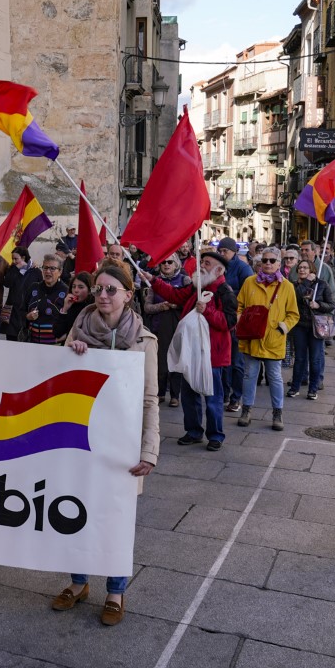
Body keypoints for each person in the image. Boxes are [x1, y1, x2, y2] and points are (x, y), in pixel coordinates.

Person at [51, 265, 158, 625]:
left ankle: (115, 591)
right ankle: (79, 583)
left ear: (128, 295)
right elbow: (58, 382)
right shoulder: (77, 330)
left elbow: (149, 399)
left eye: (112, 289)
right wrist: (73, 354)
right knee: (74, 511)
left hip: (121, 443)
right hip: (80, 437)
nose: (103, 295)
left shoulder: (144, 340)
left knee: (116, 518)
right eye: (98, 289)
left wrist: (149, 451)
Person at [144, 252, 236, 450]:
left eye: (207, 263)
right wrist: (153, 280)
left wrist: (208, 311)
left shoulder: (224, 291)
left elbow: (229, 322)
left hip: (213, 355)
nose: (201, 266)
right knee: (189, 394)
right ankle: (193, 431)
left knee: (213, 397)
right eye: (201, 262)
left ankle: (215, 435)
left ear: (219, 270)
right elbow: (175, 295)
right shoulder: (197, 286)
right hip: (191, 351)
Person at [235, 247, 299, 431]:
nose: (268, 264)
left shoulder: (286, 286)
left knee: (275, 378)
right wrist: (241, 321)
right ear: (260, 263)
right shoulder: (249, 282)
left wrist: (282, 327)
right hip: (251, 338)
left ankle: (277, 413)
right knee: (249, 376)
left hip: (273, 339)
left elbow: (293, 314)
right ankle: (246, 410)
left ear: (279, 263)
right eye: (265, 260)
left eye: (272, 260)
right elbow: (239, 305)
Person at [144, 255, 191, 405]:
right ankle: (160, 392)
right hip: (159, 327)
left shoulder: (185, 280)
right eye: (163, 262)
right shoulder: (155, 282)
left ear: (176, 263)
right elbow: (147, 307)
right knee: (160, 361)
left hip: (178, 327)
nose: (166, 264)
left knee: (176, 360)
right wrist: (161, 306)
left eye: (169, 262)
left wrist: (176, 305)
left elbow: (190, 304)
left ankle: (175, 395)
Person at [216, 237, 253, 413]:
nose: (222, 254)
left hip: (237, 319)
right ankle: (223, 392)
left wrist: (229, 293)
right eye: (220, 251)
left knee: (237, 361)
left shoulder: (243, 268)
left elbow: (249, 292)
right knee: (223, 360)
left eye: (225, 251)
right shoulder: (217, 266)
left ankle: (236, 397)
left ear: (234, 252)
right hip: (220, 318)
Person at [288, 260, 334, 400]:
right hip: (300, 326)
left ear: (312, 269)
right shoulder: (294, 286)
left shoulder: (322, 284)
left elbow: (331, 305)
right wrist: (307, 282)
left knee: (315, 359)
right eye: (300, 268)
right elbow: (296, 296)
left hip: (316, 326)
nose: (302, 270)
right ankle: (295, 387)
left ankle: (313, 389)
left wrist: (318, 305)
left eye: (305, 268)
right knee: (300, 358)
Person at [22, 253, 70, 344]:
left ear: (60, 272)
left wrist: (60, 339)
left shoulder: (66, 292)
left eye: (52, 268)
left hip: (55, 346)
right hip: (31, 345)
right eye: (45, 267)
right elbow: (21, 311)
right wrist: (27, 316)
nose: (48, 271)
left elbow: (71, 322)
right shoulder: (34, 288)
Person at [1, 246, 36, 342]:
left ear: (23, 258)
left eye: (16, 258)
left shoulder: (35, 271)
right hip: (12, 312)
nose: (13, 261)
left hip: (27, 311)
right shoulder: (12, 269)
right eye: (12, 258)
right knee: (11, 340)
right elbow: (7, 283)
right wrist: (16, 269)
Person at [56, 271, 94, 340]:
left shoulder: (92, 308)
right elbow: (57, 333)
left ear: (89, 290)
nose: (76, 290)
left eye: (81, 287)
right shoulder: (70, 305)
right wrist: (64, 309)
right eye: (74, 287)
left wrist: (66, 336)